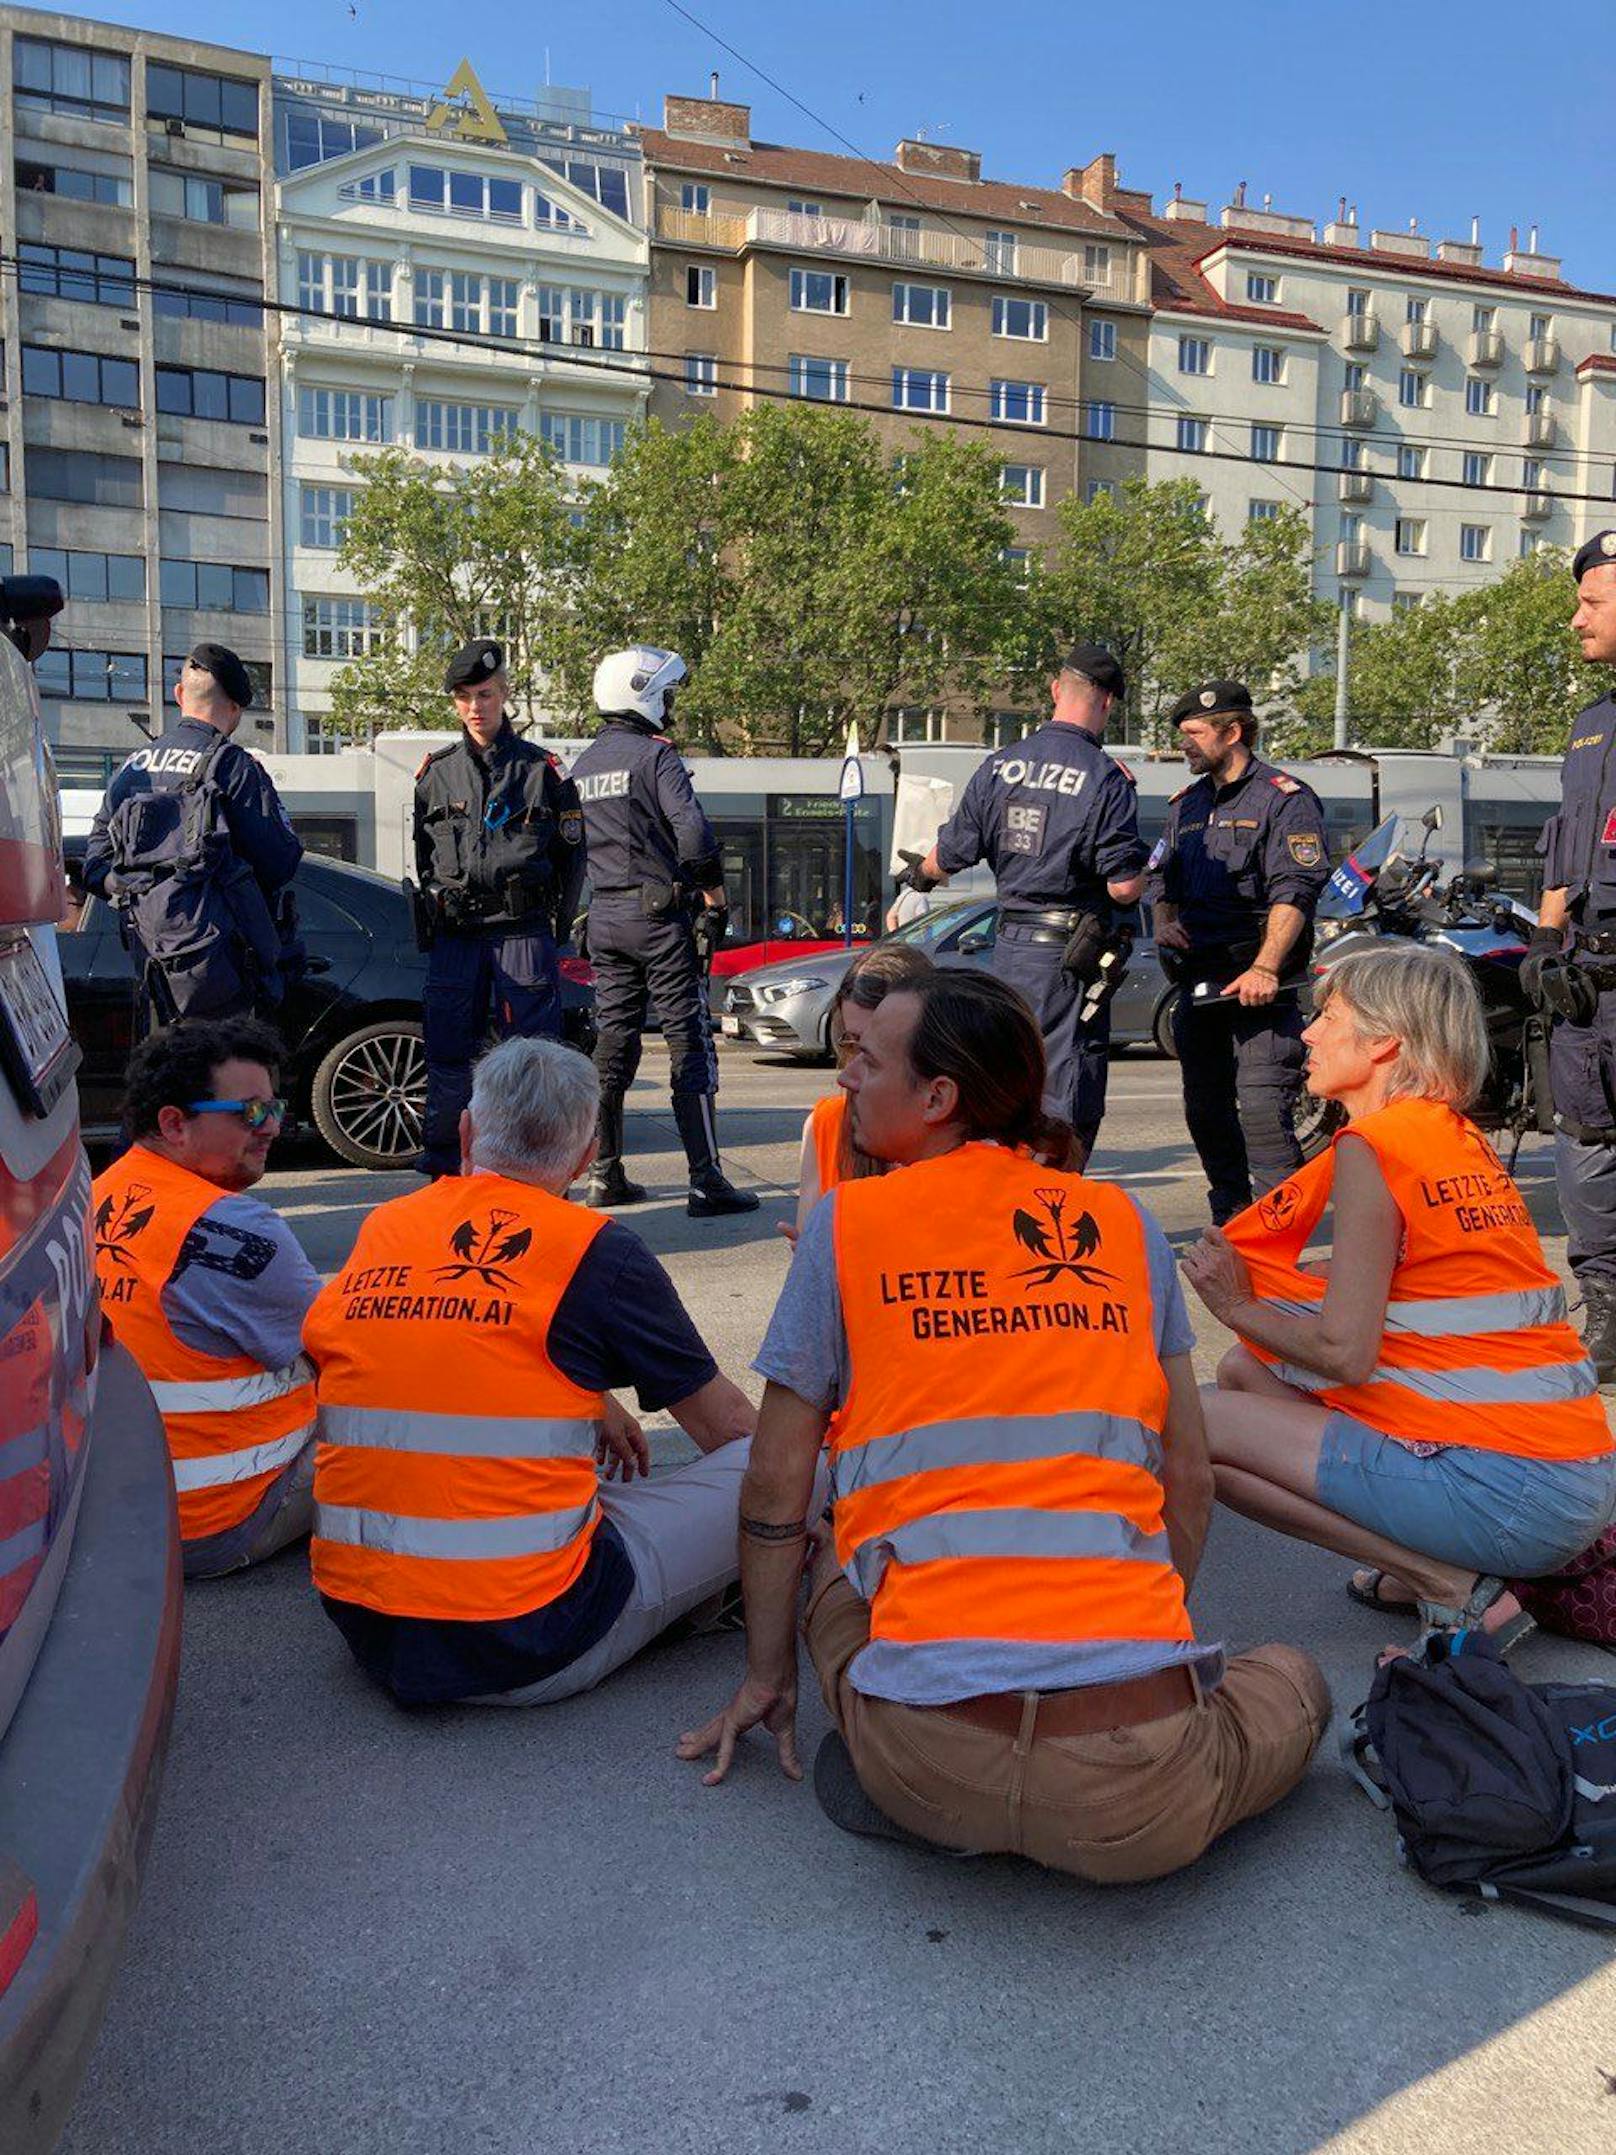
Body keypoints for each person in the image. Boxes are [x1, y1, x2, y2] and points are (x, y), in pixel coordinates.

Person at [679, 971, 1329, 1883]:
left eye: (867, 1059)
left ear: (939, 1097)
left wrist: (765, 1676)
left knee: (830, 1557)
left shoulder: (846, 1224)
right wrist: (1131, 1645)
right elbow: (1190, 1476)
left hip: (924, 1760)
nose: (848, 1078)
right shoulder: (1122, 1220)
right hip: (1141, 1789)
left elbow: (777, 1483)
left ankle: (947, 1797)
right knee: (1298, 1677)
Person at [303, 1036, 761, 1708]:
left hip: (366, 1623)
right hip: (525, 1639)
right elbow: (729, 1428)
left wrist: (588, 1394)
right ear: (586, 1155)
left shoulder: (388, 1224)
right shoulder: (599, 1252)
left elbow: (417, 1353)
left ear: (466, 1131)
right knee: (791, 1466)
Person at [1182, 944, 1616, 1643]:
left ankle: (1446, 1580)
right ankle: (1456, 1568)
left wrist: (1236, 1304)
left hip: (1512, 1492)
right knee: (1242, 1370)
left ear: (1385, 1040)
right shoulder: (1454, 1137)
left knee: (1195, 1419)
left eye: (1329, 1016)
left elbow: (1343, 1353)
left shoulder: (1375, 1145)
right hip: (1573, 1483)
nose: (1308, 1033)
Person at [898, 645, 1143, 1168]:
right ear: (1106, 704)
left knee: (1008, 1072)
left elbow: (952, 854)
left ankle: (1003, 1192)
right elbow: (1124, 888)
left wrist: (917, 874)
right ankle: (1051, 1198)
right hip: (1066, 959)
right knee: (1065, 1079)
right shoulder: (1104, 777)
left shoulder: (1000, 765)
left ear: (1057, 691)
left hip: (1007, 950)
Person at [91, 1018, 319, 1578]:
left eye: (275, 1108)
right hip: (218, 1521)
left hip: (121, 1514)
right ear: (174, 1123)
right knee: (406, 1388)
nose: (271, 1128)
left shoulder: (93, 1195)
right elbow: (351, 1340)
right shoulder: (233, 1227)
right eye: (250, 1113)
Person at [570, 645, 756, 1217]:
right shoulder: (656, 758)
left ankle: (606, 1175)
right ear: (644, 693)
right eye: (667, 694)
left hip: (603, 918)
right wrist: (714, 894)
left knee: (613, 1044)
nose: (671, 705)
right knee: (689, 1041)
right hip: (658, 918)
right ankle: (706, 1182)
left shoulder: (583, 766)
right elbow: (694, 835)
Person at [1149, 680, 1330, 1224]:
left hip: (1261, 989)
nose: (1184, 744)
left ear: (1232, 732)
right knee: (1205, 1110)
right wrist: (1163, 920)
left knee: (1262, 1111)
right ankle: (1231, 1211)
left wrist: (1266, 966)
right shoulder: (1187, 804)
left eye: (1194, 734)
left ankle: (1281, 1227)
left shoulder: (1285, 799)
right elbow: (1159, 871)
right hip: (1199, 981)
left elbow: (1295, 889)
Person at [411, 638, 586, 1179]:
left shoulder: (542, 771)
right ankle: (445, 1168)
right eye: (463, 697)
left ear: (504, 694)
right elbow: (424, 856)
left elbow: (572, 858)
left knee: (532, 1060)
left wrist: (554, 927)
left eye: (484, 694)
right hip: (458, 935)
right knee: (446, 1055)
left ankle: (532, 1172)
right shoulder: (434, 774)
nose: (474, 707)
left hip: (521, 934)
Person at [85, 643, 301, 1031]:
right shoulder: (231, 765)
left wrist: (146, 890)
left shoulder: (131, 770)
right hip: (225, 971)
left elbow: (95, 868)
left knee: (169, 1075)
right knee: (228, 1076)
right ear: (235, 707)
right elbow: (280, 861)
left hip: (153, 963)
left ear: (179, 694)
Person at [1528, 530, 1616, 1380]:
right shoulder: (1593, 724)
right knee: (1583, 1142)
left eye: (1591, 602)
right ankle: (1607, 1310)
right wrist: (1546, 943)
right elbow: (1565, 846)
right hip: (1589, 980)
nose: (1574, 618)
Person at [792, 943, 933, 1236]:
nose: (850, 1072)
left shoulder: (976, 1139)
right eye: (853, 1042)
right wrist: (815, 1258)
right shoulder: (827, 1126)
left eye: (876, 1047)